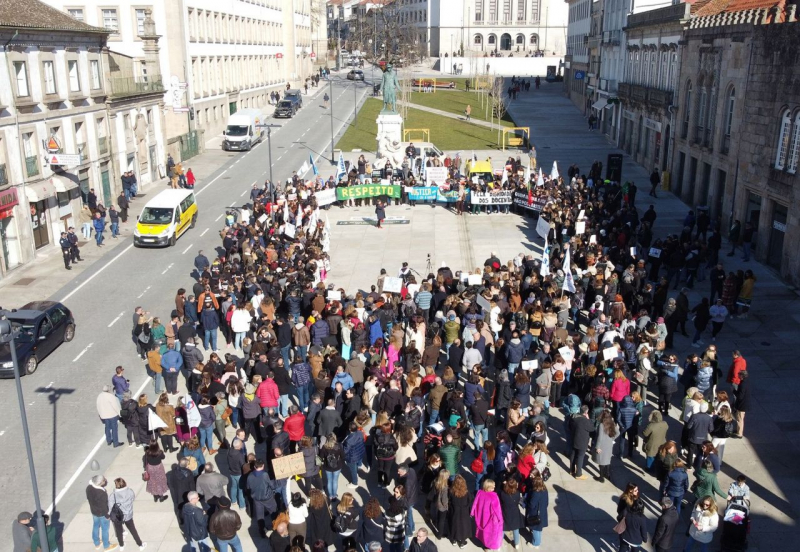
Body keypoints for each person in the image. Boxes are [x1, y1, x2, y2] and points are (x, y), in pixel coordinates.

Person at [108, 478, 146, 550]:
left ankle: (121, 545)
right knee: (133, 530)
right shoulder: (130, 491)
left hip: (118, 516)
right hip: (128, 515)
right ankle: (140, 544)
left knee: (118, 531)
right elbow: (132, 498)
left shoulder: (113, 495)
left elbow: (110, 506)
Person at [471, 478, 503, 551]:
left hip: (481, 517)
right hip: (490, 519)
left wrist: (472, 512)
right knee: (491, 534)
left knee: (482, 532)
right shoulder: (494, 497)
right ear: (488, 487)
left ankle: (485, 546)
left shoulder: (479, 492)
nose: (494, 488)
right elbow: (498, 510)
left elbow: (475, 503)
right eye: (493, 487)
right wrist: (500, 520)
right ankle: (489, 546)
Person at [569, 405, 593, 480]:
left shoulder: (573, 418)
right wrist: (588, 419)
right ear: (586, 412)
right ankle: (578, 474)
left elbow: (569, 426)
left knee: (573, 454)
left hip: (573, 439)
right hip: (582, 441)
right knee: (580, 457)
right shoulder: (585, 421)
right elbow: (592, 428)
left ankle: (572, 470)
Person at [525, 475, 549, 549]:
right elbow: (547, 502)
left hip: (535, 513)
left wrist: (526, 501)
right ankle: (537, 541)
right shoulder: (545, 490)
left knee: (535, 529)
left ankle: (535, 543)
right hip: (542, 512)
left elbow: (532, 504)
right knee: (539, 528)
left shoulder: (536, 493)